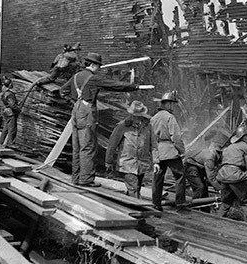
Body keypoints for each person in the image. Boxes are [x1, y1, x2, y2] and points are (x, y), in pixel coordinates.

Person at [60, 52, 152, 187]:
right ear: (93, 65)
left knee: (77, 147)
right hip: (86, 112)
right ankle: (85, 179)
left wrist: (75, 101)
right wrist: (135, 87)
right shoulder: (92, 79)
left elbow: (62, 91)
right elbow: (114, 85)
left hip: (76, 112)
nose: (99, 69)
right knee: (88, 146)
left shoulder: (76, 76)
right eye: (98, 66)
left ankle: (76, 178)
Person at [105, 101, 159, 199]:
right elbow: (112, 144)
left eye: (139, 117)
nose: (137, 119)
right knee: (133, 188)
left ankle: (128, 207)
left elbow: (154, 145)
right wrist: (108, 161)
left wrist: (156, 162)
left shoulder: (148, 126)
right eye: (135, 116)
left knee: (137, 188)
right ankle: (137, 209)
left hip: (142, 164)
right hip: (127, 164)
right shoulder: (122, 126)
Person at [210, 124, 247, 222]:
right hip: (235, 176)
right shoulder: (246, 147)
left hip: (223, 176)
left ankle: (216, 221)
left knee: (226, 202)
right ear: (244, 137)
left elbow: (221, 163)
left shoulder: (228, 147)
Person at [151, 91, 187, 210]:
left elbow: (151, 138)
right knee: (180, 176)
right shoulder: (170, 117)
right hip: (170, 151)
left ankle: (156, 203)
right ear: (169, 104)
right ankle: (180, 202)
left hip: (158, 151)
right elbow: (175, 137)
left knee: (158, 179)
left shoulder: (154, 118)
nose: (174, 107)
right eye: (173, 104)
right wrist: (182, 151)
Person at [0, 77, 20, 146]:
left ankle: (1, 142)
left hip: (6, 112)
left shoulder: (4, 92)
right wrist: (18, 109)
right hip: (11, 113)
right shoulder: (10, 94)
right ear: (10, 85)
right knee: (12, 128)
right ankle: (11, 144)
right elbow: (12, 105)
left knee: (5, 128)